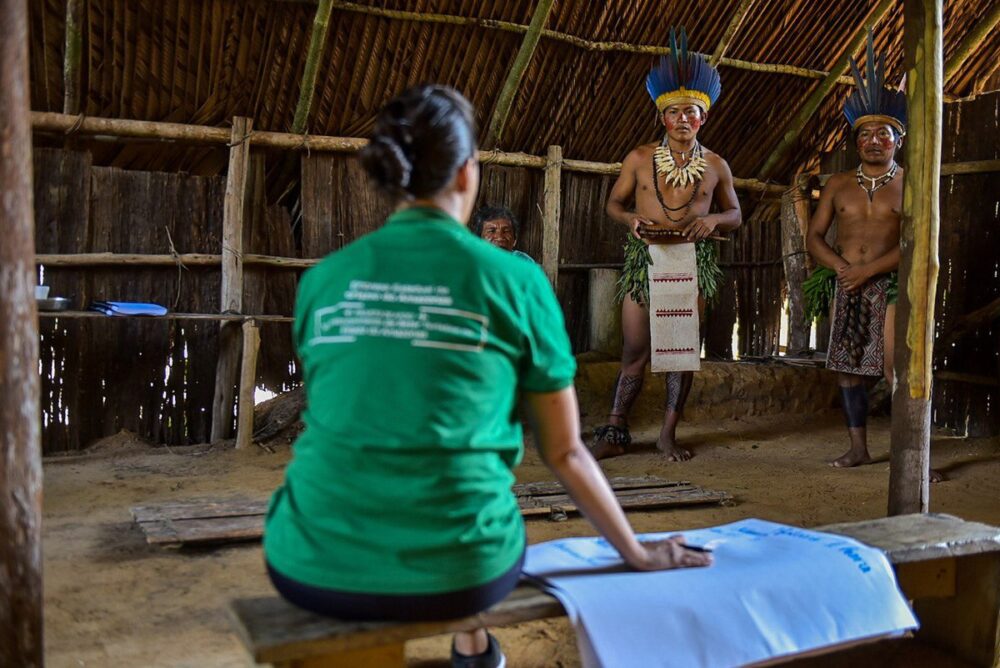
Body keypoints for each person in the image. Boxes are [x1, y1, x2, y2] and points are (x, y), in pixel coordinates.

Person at [263, 85, 711, 668]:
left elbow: (351, 411)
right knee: (462, 539)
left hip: (310, 558)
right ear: (466, 172)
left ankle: (462, 645)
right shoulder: (515, 282)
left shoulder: (325, 279)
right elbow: (565, 451)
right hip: (463, 570)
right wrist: (638, 552)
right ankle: (473, 646)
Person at [591, 28, 741, 463]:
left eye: (691, 112)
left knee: (681, 351)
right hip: (646, 260)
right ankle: (615, 430)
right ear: (663, 118)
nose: (682, 119)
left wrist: (713, 219)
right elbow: (613, 204)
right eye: (674, 112)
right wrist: (630, 219)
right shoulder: (639, 158)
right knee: (635, 349)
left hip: (692, 261)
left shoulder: (716, 165)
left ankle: (667, 434)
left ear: (703, 118)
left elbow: (735, 213)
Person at [805, 31, 942, 482]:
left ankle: (914, 455)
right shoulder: (839, 184)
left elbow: (918, 243)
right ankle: (858, 449)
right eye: (865, 134)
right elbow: (814, 237)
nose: (874, 141)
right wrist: (842, 268)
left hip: (891, 283)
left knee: (895, 366)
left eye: (883, 133)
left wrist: (868, 271)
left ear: (898, 140)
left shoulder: (911, 185)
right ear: (856, 141)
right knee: (847, 369)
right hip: (848, 280)